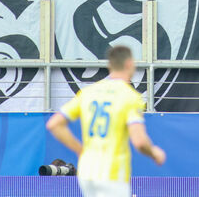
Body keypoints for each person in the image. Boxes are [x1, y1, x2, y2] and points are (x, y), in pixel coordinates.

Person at [46, 44, 166, 197]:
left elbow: (54, 124)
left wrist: (80, 150)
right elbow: (140, 141)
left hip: (87, 172)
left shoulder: (88, 93)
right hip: (112, 173)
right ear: (130, 64)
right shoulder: (130, 97)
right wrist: (154, 152)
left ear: (110, 66)